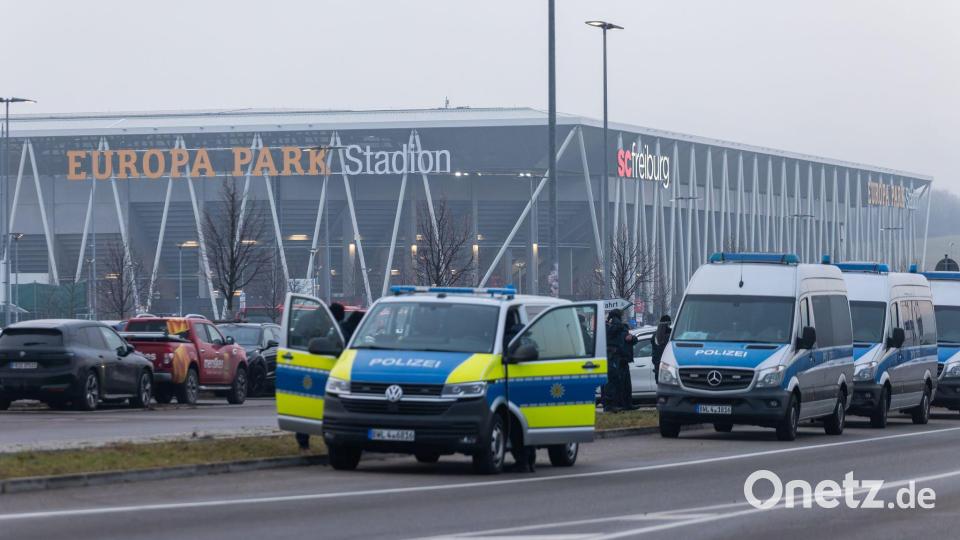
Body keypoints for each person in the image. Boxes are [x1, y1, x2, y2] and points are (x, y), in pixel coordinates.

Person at [603, 309, 635, 411]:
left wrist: (631, 338)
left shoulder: (621, 327)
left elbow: (631, 339)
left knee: (625, 384)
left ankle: (626, 404)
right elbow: (611, 334)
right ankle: (611, 405)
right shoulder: (609, 326)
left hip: (623, 358)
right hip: (614, 358)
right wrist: (618, 324)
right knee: (613, 383)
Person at [651, 314, 672, 378]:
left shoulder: (655, 335)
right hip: (669, 367)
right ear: (669, 323)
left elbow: (654, 353)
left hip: (658, 367)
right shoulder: (671, 335)